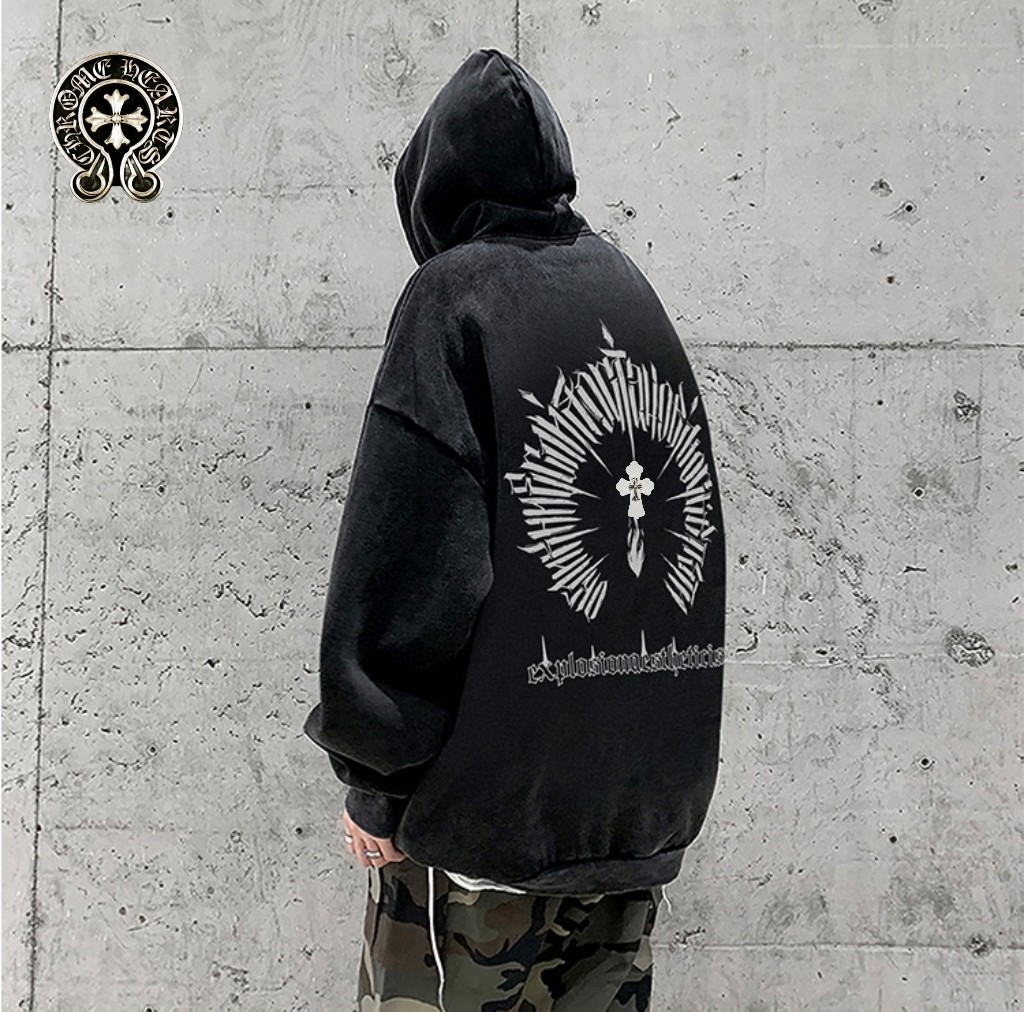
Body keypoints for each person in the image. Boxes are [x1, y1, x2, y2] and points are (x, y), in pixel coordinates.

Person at [303, 46, 727, 1011]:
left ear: (431, 182)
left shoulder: (456, 298)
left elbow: (412, 561)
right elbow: (691, 548)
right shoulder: (629, 291)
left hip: (486, 833)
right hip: (630, 825)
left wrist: (377, 782)